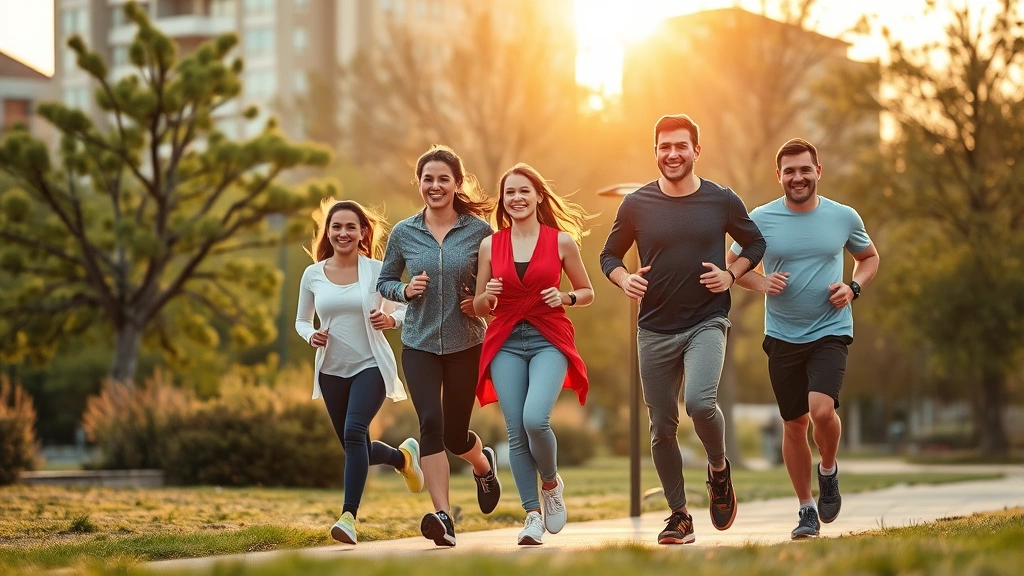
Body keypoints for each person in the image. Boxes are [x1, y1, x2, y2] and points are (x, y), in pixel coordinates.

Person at [599, 114, 766, 545]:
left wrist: (731, 276)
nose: (672, 154)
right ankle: (679, 515)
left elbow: (755, 242)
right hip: (653, 327)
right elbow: (609, 256)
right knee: (661, 427)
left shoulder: (721, 199)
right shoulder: (636, 204)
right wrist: (624, 279)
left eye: (680, 146)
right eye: (664, 147)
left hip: (706, 319)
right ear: (655, 151)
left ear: (696, 150)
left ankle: (719, 470)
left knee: (699, 403)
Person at [727, 138, 879, 539]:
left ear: (818, 172)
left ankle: (827, 468)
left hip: (830, 328)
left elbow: (869, 258)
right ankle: (806, 509)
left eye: (804, 169)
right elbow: (733, 267)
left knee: (822, 411)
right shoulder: (759, 219)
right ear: (779, 176)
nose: (798, 177)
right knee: (794, 425)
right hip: (781, 334)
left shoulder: (843, 216)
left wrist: (853, 288)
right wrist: (762, 282)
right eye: (789, 171)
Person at [377, 145, 501, 547]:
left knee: (455, 435)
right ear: (419, 184)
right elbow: (384, 282)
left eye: (443, 179)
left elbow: (495, 284)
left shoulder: (480, 231)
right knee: (430, 422)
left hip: (467, 342)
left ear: (456, 183)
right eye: (428, 179)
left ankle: (483, 466)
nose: (435, 186)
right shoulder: (404, 232)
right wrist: (404, 289)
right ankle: (443, 516)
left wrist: (480, 299)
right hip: (419, 343)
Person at [473, 163, 595, 546]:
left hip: (548, 337)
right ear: (504, 201)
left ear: (539, 196)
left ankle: (551, 482)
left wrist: (566, 297)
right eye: (510, 192)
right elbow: (477, 305)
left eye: (524, 191)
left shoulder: (561, 242)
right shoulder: (491, 245)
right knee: (515, 432)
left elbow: (587, 290)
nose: (517, 198)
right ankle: (531, 515)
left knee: (534, 420)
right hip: (506, 339)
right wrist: (488, 296)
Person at [295, 199, 425, 546]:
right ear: (328, 232)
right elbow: (301, 320)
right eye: (336, 226)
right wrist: (311, 335)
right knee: (357, 449)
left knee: (355, 433)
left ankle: (348, 517)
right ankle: (402, 457)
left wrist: (391, 319)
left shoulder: (377, 270)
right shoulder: (313, 274)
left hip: (371, 366)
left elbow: (404, 310)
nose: (343, 233)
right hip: (331, 370)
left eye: (351, 226)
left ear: (363, 232)